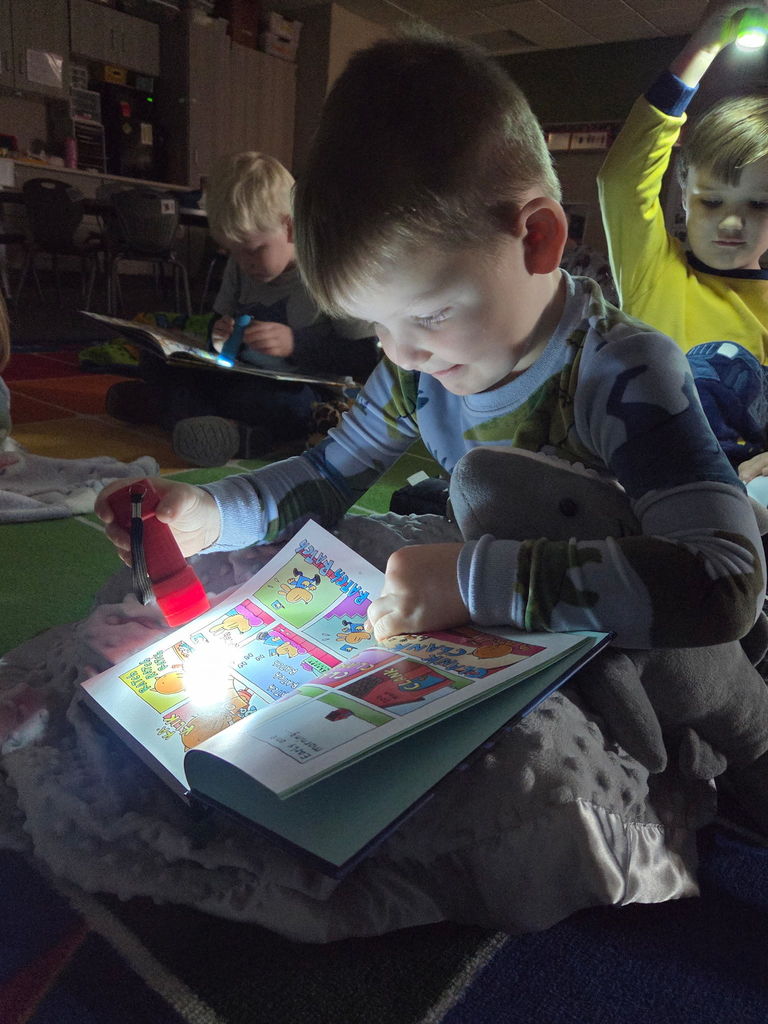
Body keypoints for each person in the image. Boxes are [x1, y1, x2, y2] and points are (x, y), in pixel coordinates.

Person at [95, 28, 768, 927]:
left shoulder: (622, 371)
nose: (401, 354)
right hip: (505, 628)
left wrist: (471, 580)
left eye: (426, 316)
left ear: (536, 238)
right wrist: (205, 511)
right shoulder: (418, 368)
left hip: (650, 634)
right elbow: (326, 475)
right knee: (350, 554)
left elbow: (725, 584)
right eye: (375, 329)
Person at [105, 152, 379, 466]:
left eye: (254, 250)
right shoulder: (240, 266)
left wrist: (294, 344)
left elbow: (364, 357)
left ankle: (200, 421)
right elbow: (221, 331)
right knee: (157, 360)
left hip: (305, 392)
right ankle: (195, 417)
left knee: (284, 406)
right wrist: (218, 334)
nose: (245, 263)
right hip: (242, 376)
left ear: (290, 228)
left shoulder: (328, 272)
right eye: (234, 252)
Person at [597, 0, 768, 497]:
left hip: (733, 507)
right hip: (631, 488)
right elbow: (622, 178)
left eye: (759, 204)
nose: (732, 221)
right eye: (712, 200)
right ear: (684, 189)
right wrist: (706, 43)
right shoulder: (655, 270)